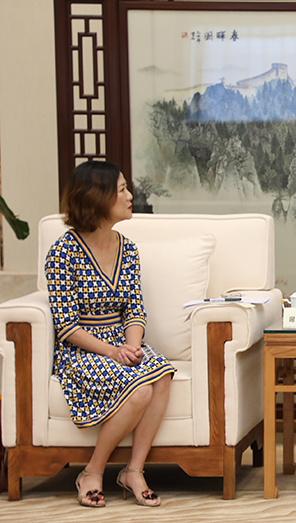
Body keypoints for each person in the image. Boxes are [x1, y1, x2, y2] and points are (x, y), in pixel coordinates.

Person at [45, 161, 175, 507]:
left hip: (121, 342)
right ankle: (92, 471)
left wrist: (131, 347)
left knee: (162, 376)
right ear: (97, 198)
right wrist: (112, 352)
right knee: (140, 390)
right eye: (121, 190)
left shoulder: (127, 248)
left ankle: (133, 471)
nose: (130, 196)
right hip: (82, 349)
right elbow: (66, 326)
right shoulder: (63, 253)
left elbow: (134, 309)